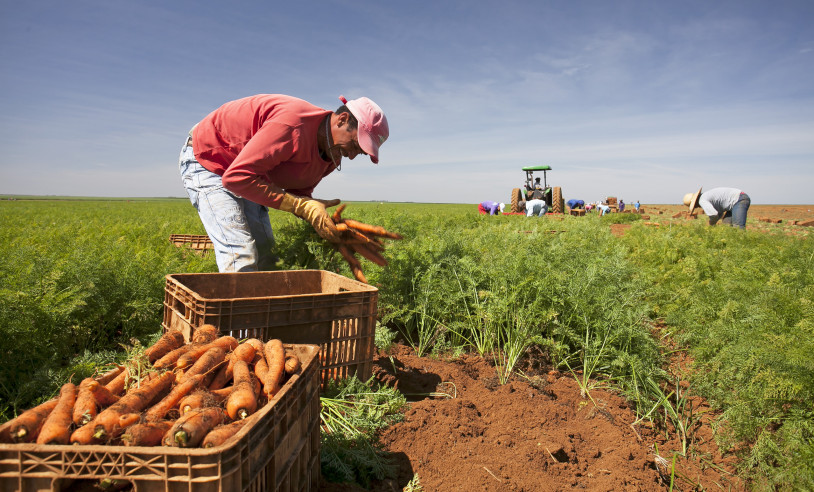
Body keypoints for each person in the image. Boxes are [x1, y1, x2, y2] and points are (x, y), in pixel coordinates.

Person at [179, 93, 389, 272]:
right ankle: (240, 318)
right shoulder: (292, 125)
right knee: (241, 254)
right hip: (211, 158)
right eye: (354, 145)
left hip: (251, 174)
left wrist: (329, 225)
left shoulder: (331, 156)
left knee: (267, 256)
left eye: (358, 153)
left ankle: (265, 314)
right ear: (342, 120)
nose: (351, 156)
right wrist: (300, 205)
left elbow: (297, 193)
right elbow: (236, 177)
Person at [684, 187, 751, 229]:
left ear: (695, 203)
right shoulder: (706, 197)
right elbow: (719, 213)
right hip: (733, 204)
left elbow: (713, 214)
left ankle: (741, 244)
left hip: (739, 199)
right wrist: (712, 224)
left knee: (738, 227)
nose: (697, 207)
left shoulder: (702, 200)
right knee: (726, 225)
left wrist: (711, 224)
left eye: (695, 206)